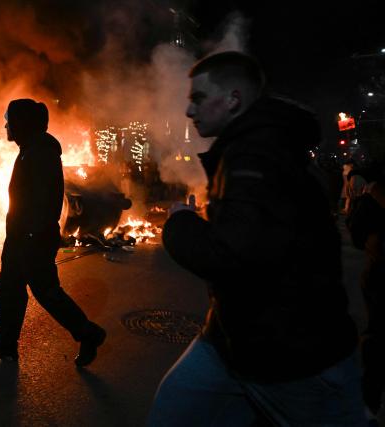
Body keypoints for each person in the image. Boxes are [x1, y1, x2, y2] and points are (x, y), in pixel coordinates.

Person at [148, 52, 365, 426]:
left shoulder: (259, 155)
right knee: (172, 411)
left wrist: (180, 222)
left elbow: (232, 253)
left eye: (198, 98)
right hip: (233, 342)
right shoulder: (249, 148)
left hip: (294, 358)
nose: (187, 110)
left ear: (233, 99)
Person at [0, 99, 106, 366]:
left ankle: (88, 333)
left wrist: (32, 235)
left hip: (32, 237)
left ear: (22, 123)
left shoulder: (40, 152)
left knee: (46, 292)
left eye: (9, 119)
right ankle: (6, 344)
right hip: (23, 236)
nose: (6, 125)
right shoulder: (31, 150)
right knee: (11, 289)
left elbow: (46, 201)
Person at [346, 168, 385, 418]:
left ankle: (368, 407)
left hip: (378, 271)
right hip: (377, 272)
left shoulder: (375, 191)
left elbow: (357, 232)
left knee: (376, 340)